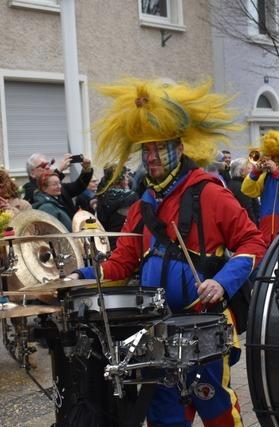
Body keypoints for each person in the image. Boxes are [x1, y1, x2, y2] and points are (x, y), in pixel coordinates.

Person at [69, 78, 267, 426]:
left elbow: (253, 242)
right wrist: (81, 276)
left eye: (161, 148)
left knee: (215, 405)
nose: (153, 157)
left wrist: (222, 282)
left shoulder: (210, 194)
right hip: (156, 329)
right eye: (147, 150)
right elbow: (122, 264)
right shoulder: (140, 206)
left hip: (204, 322)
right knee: (163, 414)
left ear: (179, 146)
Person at [23, 153, 94, 214]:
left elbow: (79, 186)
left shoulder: (59, 186)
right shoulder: (30, 189)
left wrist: (86, 169)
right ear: (32, 173)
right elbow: (41, 192)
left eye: (49, 164)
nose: (48, 167)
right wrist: (59, 171)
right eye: (43, 165)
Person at [96, 166, 139, 247]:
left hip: (108, 242)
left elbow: (101, 222)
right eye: (126, 176)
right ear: (120, 179)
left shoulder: (102, 195)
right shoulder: (131, 196)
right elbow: (136, 223)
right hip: (126, 242)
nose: (128, 179)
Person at [227, 157, 260, 225]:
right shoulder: (242, 187)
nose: (252, 171)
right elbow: (248, 211)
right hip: (248, 228)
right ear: (241, 171)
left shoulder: (232, 184)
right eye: (249, 168)